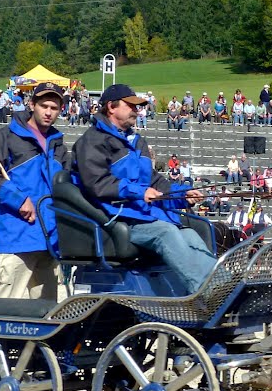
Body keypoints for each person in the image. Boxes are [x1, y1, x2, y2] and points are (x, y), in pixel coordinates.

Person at [73, 84, 216, 294]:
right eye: (131, 106)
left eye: (137, 106)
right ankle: (206, 292)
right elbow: (97, 183)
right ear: (111, 107)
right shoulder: (92, 141)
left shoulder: (136, 142)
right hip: (113, 218)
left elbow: (155, 182)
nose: (136, 110)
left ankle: (223, 287)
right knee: (166, 232)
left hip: (142, 216)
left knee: (189, 234)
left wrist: (182, 195)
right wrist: (139, 192)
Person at [0, 82, 68, 301]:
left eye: (54, 108)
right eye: (43, 106)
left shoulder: (58, 144)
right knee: (4, 310)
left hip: (49, 240)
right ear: (31, 104)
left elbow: (66, 184)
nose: (48, 112)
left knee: (46, 314)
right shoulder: (6, 136)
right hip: (16, 237)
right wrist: (19, 200)